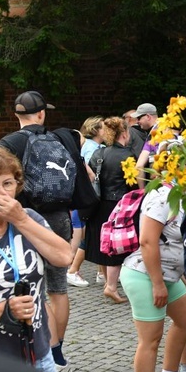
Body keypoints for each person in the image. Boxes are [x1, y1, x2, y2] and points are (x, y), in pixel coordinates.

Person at [0, 91, 75, 372]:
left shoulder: (9, 143)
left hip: (23, 218)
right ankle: (57, 355)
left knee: (33, 289)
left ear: (16, 115)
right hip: (58, 217)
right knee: (58, 289)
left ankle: (39, 348)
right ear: (42, 113)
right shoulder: (62, 138)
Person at [0, 147, 72, 372]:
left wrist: (21, 219)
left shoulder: (29, 219)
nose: (1, 193)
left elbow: (64, 257)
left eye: (7, 183)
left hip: (37, 352)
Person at [120, 182, 186, 372]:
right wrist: (157, 284)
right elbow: (147, 241)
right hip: (145, 275)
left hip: (169, 276)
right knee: (150, 340)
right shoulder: (163, 196)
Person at [87, 117, 137, 303]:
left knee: (107, 245)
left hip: (100, 204)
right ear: (124, 133)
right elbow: (133, 186)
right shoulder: (129, 155)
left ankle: (110, 283)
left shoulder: (99, 154)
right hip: (121, 205)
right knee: (119, 246)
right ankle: (112, 286)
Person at [67, 116, 106, 288]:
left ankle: (101, 273)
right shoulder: (90, 150)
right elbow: (92, 175)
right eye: (104, 128)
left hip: (85, 198)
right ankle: (72, 270)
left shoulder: (96, 147)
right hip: (87, 198)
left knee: (94, 232)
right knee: (83, 233)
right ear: (96, 130)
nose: (106, 131)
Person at [133, 103, 159, 189]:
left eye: (139, 118)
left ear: (148, 116)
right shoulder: (169, 128)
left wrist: (142, 190)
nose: (137, 122)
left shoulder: (153, 135)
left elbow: (139, 166)